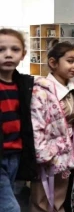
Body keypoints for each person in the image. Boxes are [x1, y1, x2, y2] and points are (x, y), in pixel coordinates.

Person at [30, 43, 74, 212]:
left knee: (59, 196)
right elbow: (36, 124)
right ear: (53, 63)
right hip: (48, 151)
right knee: (41, 198)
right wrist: (43, 153)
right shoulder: (41, 89)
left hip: (67, 149)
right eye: (70, 61)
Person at [0, 29, 37, 212]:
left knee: (12, 197)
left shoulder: (24, 84)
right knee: (10, 207)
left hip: (16, 155)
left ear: (23, 54)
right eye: (1, 50)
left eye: (15, 49)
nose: (8, 54)